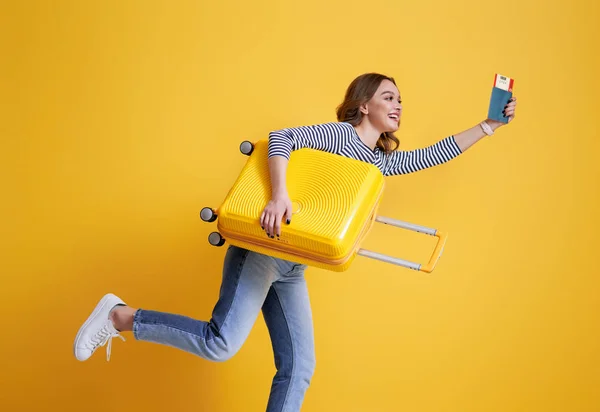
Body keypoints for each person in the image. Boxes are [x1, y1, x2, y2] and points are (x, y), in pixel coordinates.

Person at [73, 72, 517, 412]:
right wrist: (280, 194)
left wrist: (489, 125)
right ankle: (120, 316)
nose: (398, 105)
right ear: (363, 106)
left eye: (400, 100)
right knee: (220, 343)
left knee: (299, 367)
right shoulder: (339, 135)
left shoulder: (375, 161)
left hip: (293, 263)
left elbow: (432, 155)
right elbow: (283, 139)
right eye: (388, 97)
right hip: (265, 248)